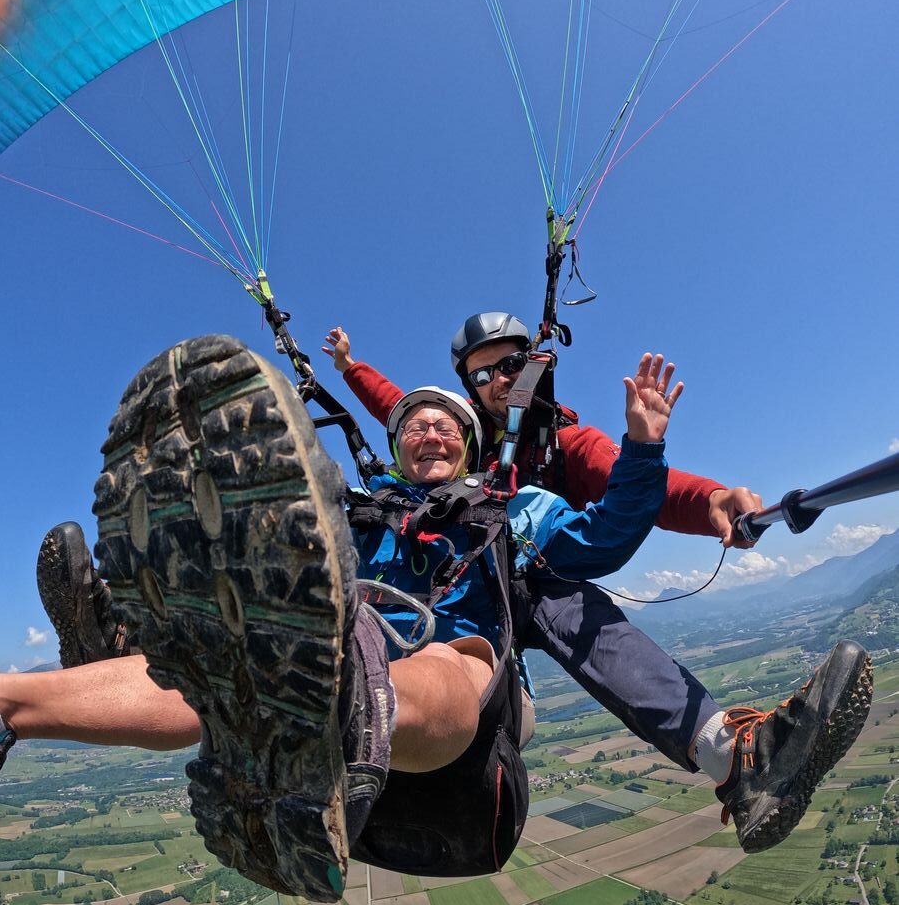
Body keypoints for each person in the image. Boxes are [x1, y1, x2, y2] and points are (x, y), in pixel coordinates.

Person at [1, 334, 684, 902]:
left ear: (470, 450)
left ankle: (352, 698)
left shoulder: (513, 507)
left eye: (448, 424)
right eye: (415, 425)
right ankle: (33, 693)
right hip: (328, 665)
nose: (432, 430)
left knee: (447, 656)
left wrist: (643, 448)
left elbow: (604, 540)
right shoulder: (362, 512)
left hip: (469, 703)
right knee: (223, 672)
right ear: (397, 449)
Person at [322, 318, 854, 843]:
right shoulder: (385, 506)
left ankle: (732, 755)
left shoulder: (549, 463)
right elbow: (399, 406)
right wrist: (349, 368)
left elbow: (620, 513)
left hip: (496, 618)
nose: (498, 383)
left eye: (510, 366)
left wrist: (706, 496)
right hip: (395, 621)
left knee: (558, 602)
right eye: (481, 377)